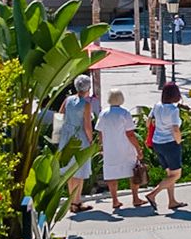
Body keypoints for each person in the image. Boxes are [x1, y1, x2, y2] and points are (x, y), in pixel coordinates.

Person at [97, 90, 147, 208]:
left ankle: (115, 200)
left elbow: (100, 132)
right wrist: (138, 149)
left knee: (111, 174)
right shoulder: (124, 113)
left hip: (110, 149)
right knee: (133, 172)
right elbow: (130, 134)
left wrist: (102, 145)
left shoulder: (103, 114)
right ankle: (135, 198)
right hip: (125, 148)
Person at [58, 75, 99, 212]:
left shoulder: (67, 100)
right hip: (80, 137)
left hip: (66, 137)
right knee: (79, 170)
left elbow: (59, 115)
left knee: (70, 171)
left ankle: (72, 201)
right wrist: (91, 140)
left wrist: (58, 135)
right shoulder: (86, 104)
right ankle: (77, 202)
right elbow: (87, 125)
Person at [145, 82, 188, 211]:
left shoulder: (157, 106)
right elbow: (175, 128)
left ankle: (172, 201)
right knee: (176, 175)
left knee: (170, 173)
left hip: (157, 142)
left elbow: (148, 122)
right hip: (170, 144)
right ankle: (153, 194)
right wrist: (179, 141)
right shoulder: (174, 110)